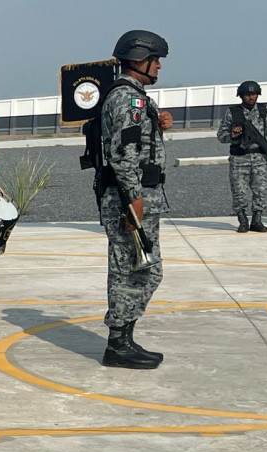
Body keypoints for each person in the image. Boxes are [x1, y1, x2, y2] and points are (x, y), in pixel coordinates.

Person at [98, 30, 172, 369]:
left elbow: (135, 143)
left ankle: (123, 338)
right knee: (133, 271)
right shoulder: (129, 98)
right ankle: (117, 344)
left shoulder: (134, 97)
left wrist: (160, 125)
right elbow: (124, 153)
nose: (158, 66)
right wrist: (133, 200)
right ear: (138, 58)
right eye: (155, 59)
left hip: (137, 196)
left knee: (138, 270)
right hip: (131, 198)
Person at [217, 80, 267, 233]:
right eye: (247, 94)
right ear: (241, 96)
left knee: (260, 190)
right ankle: (242, 219)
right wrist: (232, 135)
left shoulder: (265, 111)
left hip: (259, 158)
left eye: (254, 94)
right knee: (239, 191)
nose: (251, 97)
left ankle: (257, 219)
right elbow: (221, 135)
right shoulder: (232, 112)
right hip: (239, 158)